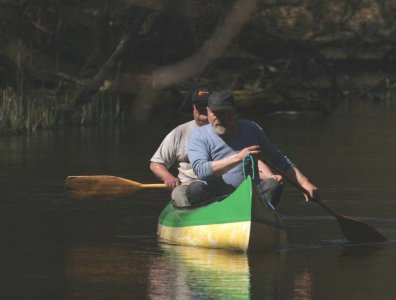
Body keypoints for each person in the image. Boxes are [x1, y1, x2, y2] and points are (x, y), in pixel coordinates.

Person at [187, 90, 319, 206]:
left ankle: (262, 215)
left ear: (235, 112)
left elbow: (278, 158)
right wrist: (239, 157)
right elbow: (201, 170)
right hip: (215, 198)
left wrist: (304, 183)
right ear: (208, 111)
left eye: (226, 113)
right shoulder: (199, 136)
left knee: (274, 184)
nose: (221, 119)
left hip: (250, 197)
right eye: (216, 113)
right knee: (195, 189)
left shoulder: (252, 129)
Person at [150, 88, 210, 207]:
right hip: (186, 186)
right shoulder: (180, 132)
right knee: (180, 193)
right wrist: (168, 177)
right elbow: (156, 163)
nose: (203, 111)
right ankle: (188, 216)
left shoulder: (225, 130)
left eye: (206, 107)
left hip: (218, 186)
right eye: (200, 107)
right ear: (193, 107)